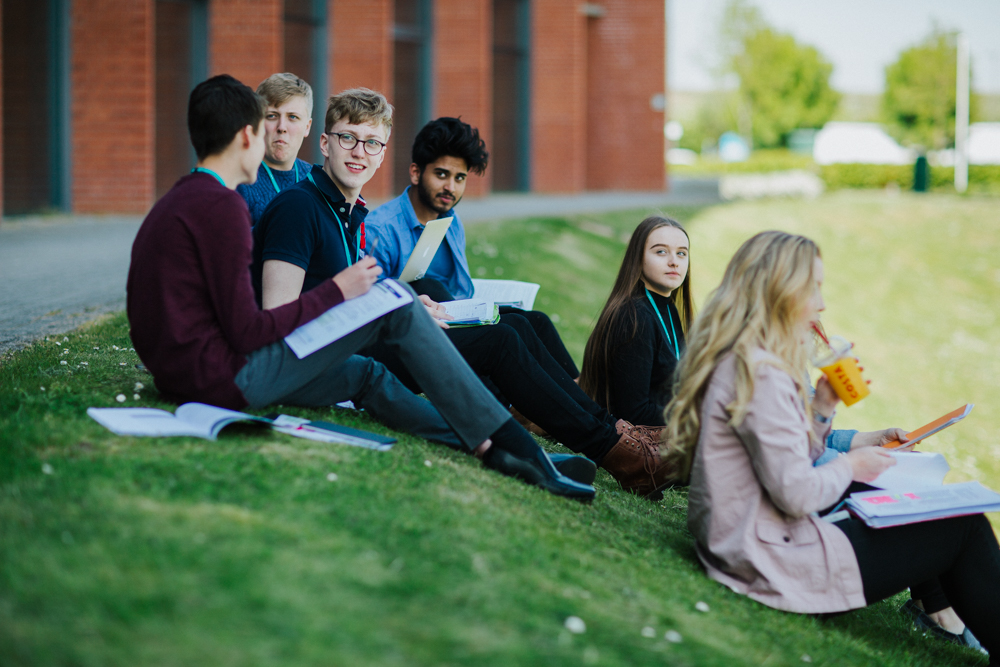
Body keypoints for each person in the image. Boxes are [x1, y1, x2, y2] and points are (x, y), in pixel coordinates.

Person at [126, 74, 594, 502]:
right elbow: (252, 331)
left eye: (372, 143)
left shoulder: (181, 198)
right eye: (267, 127)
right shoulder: (227, 207)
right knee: (399, 305)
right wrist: (343, 291)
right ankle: (519, 448)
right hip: (221, 382)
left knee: (366, 374)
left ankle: (494, 445)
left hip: (189, 376)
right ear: (248, 136)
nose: (276, 138)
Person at [252, 94, 672, 498]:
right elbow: (279, 319)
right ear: (324, 143)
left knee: (505, 325)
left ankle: (532, 447)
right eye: (347, 138)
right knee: (501, 339)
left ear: (383, 154)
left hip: (353, 358)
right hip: (308, 359)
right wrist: (373, 301)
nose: (359, 151)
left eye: (372, 142)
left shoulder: (348, 211)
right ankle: (615, 450)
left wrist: (396, 299)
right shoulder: (299, 207)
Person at [664, 231, 1000, 659]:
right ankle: (949, 614)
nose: (822, 303)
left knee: (921, 501)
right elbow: (795, 492)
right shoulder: (761, 371)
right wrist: (852, 466)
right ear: (780, 291)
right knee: (962, 523)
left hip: (744, 540)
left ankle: (947, 612)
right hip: (768, 558)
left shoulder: (747, 356)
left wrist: (822, 408)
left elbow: (785, 461)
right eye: (814, 288)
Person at [365, 116, 578, 379]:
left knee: (536, 321)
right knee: (506, 330)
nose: (450, 188)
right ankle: (548, 408)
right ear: (416, 172)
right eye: (441, 174)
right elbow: (370, 304)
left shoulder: (450, 220)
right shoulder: (381, 229)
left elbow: (460, 291)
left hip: (453, 313)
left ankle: (580, 393)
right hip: (411, 330)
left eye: (459, 178)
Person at [580, 216, 692, 426]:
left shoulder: (667, 306)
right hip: (635, 443)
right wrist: (695, 419)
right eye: (661, 251)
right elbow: (633, 412)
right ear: (638, 258)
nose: (674, 261)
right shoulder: (635, 317)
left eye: (681, 253)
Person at [236, 72, 315, 225]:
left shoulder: (317, 181)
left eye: (293, 117)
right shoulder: (239, 182)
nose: (282, 127)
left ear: (307, 127)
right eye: (272, 116)